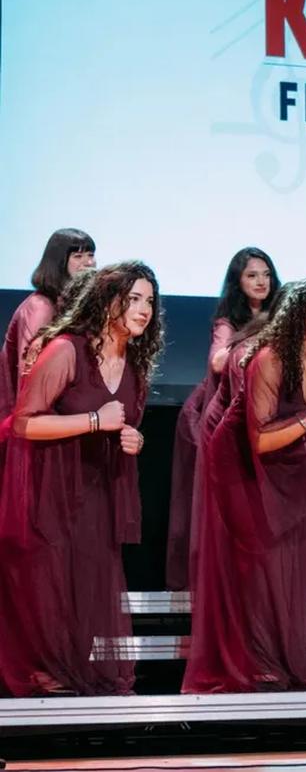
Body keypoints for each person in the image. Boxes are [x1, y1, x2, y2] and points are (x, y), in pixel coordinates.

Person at [183, 277, 306, 693]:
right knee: (257, 561)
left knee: (293, 559)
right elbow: (260, 439)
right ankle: (254, 665)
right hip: (239, 461)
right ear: (298, 314)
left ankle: (282, 659)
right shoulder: (272, 359)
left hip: (292, 463)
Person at [0, 261, 161, 695]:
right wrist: (94, 420)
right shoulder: (67, 350)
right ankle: (44, 677)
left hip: (98, 491)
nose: (144, 309)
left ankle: (72, 672)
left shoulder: (133, 364)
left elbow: (123, 425)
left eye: (149, 300)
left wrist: (135, 440)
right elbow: (23, 424)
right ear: (107, 302)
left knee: (87, 586)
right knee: (50, 585)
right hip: (50, 489)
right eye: (133, 299)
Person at [167, 247, 281, 591]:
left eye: (266, 275)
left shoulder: (282, 314)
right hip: (218, 416)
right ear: (238, 282)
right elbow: (218, 360)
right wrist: (259, 339)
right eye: (252, 275)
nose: (261, 282)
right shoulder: (228, 321)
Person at [0, 229, 97, 434]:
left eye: (90, 255)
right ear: (58, 263)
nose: (88, 263)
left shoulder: (72, 306)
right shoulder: (40, 308)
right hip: (31, 426)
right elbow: (30, 379)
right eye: (78, 256)